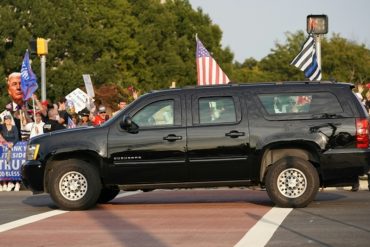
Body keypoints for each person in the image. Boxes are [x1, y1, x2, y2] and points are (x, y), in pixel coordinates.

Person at [5, 72, 32, 141]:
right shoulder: (4, 113)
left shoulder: (34, 110)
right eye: (14, 84)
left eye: (21, 84)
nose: (18, 87)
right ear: (9, 90)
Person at [0, 115, 20, 191]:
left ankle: (17, 182)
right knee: (5, 165)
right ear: (4, 121)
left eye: (9, 119)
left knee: (14, 164)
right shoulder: (3, 127)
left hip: (14, 147)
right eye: (6, 119)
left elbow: (17, 137)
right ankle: (8, 182)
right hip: (5, 148)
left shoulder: (14, 127)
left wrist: (12, 144)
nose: (8, 121)